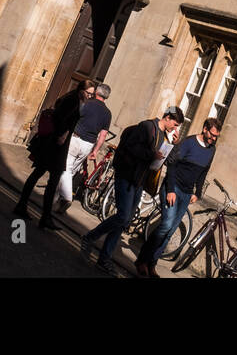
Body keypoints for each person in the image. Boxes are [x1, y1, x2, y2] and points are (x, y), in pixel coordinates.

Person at [81, 106, 184, 276]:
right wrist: (152, 154)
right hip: (127, 177)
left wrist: (174, 144)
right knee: (122, 216)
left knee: (125, 220)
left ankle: (104, 258)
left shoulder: (164, 137)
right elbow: (131, 147)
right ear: (167, 117)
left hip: (140, 181)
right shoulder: (146, 127)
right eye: (175, 123)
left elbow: (167, 160)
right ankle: (90, 237)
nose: (175, 127)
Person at [135, 117, 222, 278]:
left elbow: (203, 172)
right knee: (166, 224)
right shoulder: (188, 143)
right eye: (212, 134)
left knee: (170, 231)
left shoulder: (212, 149)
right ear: (204, 129)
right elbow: (172, 165)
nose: (213, 138)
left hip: (187, 193)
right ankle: (142, 260)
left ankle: (152, 264)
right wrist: (170, 190)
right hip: (173, 187)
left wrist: (198, 193)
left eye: (216, 136)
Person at [13, 80, 95, 230]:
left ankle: (26, 206)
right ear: (81, 90)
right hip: (56, 145)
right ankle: (43, 217)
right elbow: (60, 118)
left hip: (53, 145)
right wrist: (63, 134)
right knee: (51, 180)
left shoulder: (72, 98)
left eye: (92, 94)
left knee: (40, 174)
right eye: (88, 93)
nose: (89, 96)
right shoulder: (73, 100)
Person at [56, 83, 112, 215]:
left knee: (65, 169)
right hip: (88, 145)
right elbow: (103, 135)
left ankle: (67, 198)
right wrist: (95, 151)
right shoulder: (108, 113)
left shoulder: (87, 103)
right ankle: (55, 202)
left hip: (75, 138)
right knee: (71, 171)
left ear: (96, 92)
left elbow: (74, 118)